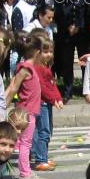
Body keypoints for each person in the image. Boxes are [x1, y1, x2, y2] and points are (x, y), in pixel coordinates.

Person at [4, 33, 44, 179]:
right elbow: (14, 86)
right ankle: (24, 174)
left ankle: (25, 170)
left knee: (22, 142)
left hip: (29, 111)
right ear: (37, 52)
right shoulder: (25, 68)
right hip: (25, 113)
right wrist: (5, 103)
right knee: (25, 143)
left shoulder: (29, 68)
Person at [54, 0, 90, 102]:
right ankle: (68, 91)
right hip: (66, 35)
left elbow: (88, 14)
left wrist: (79, 27)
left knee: (84, 62)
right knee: (67, 63)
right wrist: (67, 26)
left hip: (81, 35)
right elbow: (58, 15)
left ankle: (86, 89)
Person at [31, 33, 62, 171]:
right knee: (43, 131)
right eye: (45, 51)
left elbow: (52, 85)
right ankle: (40, 159)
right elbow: (42, 88)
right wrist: (53, 99)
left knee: (47, 130)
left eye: (51, 51)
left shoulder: (45, 67)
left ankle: (43, 156)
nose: (49, 54)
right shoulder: (38, 68)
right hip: (41, 103)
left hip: (46, 103)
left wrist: (58, 98)